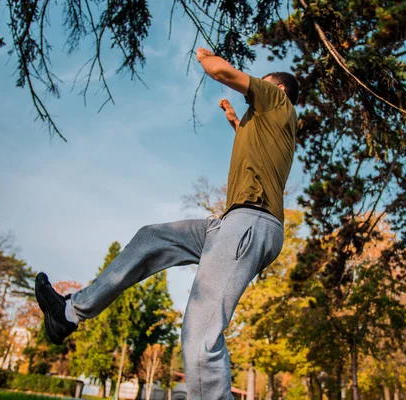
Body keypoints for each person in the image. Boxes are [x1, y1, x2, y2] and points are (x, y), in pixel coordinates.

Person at [35, 47, 298, 399]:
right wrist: (235, 120)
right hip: (232, 224)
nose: (255, 92)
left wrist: (205, 56)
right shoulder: (267, 125)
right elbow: (250, 143)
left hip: (250, 222)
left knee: (199, 336)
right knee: (152, 238)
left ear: (277, 91)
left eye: (260, 87)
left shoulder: (278, 103)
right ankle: (69, 312)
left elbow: (221, 72)